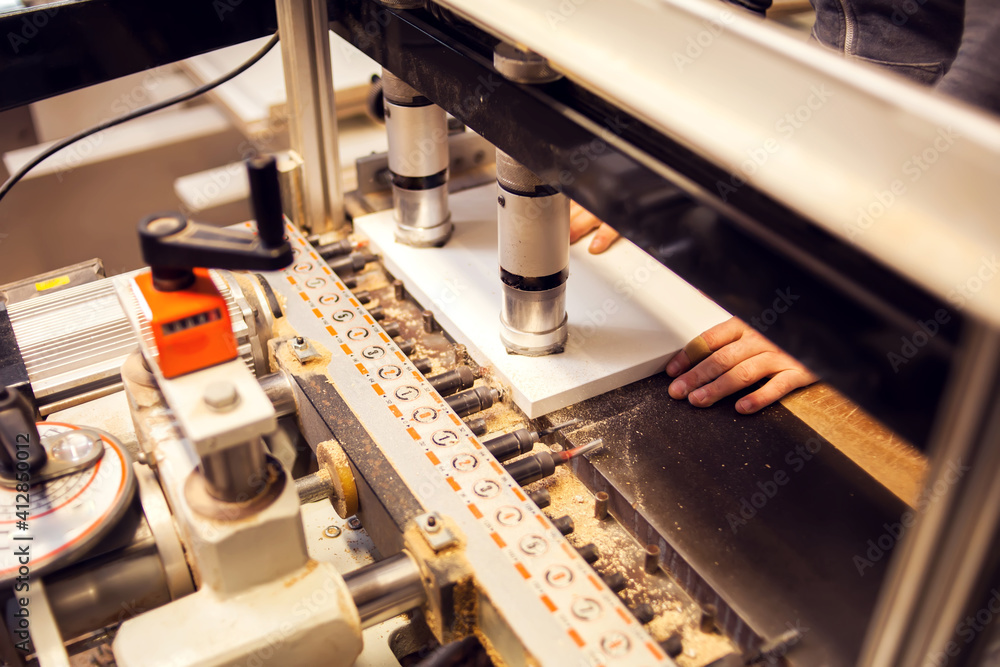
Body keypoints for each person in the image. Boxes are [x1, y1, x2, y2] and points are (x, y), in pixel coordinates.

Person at [569, 0, 999, 413]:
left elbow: (988, 73)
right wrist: (655, 159)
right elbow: (723, 16)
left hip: (956, 201)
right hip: (815, 140)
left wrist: (839, 317)